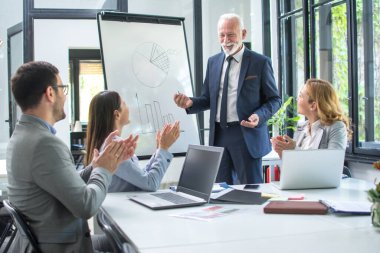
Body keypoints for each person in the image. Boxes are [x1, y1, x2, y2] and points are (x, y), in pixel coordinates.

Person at [6, 61, 137, 253]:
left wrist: (95, 165)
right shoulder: (45, 144)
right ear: (50, 93)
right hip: (63, 247)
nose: (65, 97)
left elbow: (64, 183)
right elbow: (86, 205)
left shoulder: (21, 136)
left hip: (46, 243)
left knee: (123, 243)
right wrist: (104, 170)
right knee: (132, 247)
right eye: (63, 89)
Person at [174, 13, 281, 184]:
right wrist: (191, 103)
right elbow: (208, 98)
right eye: (221, 35)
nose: (225, 40)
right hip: (219, 135)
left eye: (231, 34)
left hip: (246, 135)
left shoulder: (260, 62)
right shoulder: (213, 62)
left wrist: (258, 116)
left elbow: (275, 99)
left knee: (251, 191)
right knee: (221, 192)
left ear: (243, 34)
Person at [85, 90, 180, 192]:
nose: (128, 108)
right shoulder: (114, 147)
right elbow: (151, 183)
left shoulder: (107, 143)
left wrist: (159, 151)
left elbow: (141, 177)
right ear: (117, 115)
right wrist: (163, 148)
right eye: (124, 104)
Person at [271, 78, 351, 158]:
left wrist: (294, 150)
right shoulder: (301, 127)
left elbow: (333, 162)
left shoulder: (336, 127)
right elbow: (297, 164)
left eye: (301, 96)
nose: (297, 99)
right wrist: (284, 153)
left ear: (313, 106)